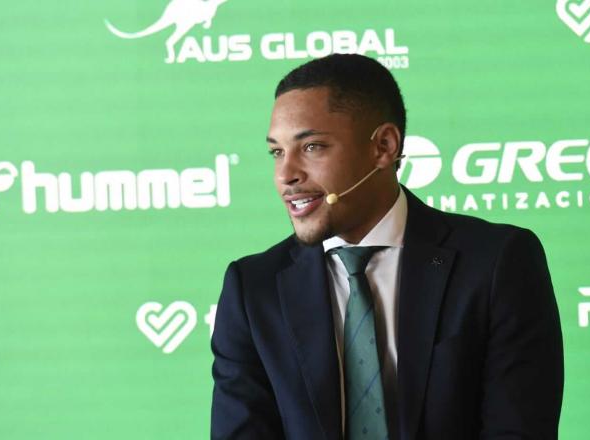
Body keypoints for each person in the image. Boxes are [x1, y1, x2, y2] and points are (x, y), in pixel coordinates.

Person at [210, 53, 563, 440]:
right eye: (277, 152)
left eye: (311, 147)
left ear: (384, 146)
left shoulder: (497, 263)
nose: (286, 175)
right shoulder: (253, 289)